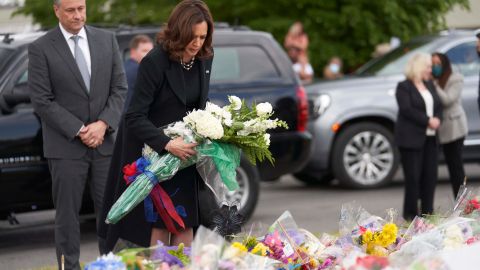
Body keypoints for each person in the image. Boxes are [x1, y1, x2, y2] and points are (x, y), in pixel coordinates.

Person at [99, 0, 214, 252]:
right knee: (161, 225)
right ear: (178, 32)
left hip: (187, 158)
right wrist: (168, 144)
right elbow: (134, 116)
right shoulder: (155, 61)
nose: (197, 43)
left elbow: (198, 106)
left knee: (186, 223)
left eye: (203, 37)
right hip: (156, 156)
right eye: (192, 37)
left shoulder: (204, 57)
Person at [28, 0, 126, 269]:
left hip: (104, 144)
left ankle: (113, 263)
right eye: (70, 10)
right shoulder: (41, 48)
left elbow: (119, 88)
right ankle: (68, 267)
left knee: (112, 213)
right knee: (67, 217)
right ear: (56, 10)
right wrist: (80, 129)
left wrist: (103, 123)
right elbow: (41, 100)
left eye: (81, 8)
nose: (77, 15)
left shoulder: (107, 40)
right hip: (65, 148)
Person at [394, 53, 442, 221]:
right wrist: (428, 120)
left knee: (430, 176)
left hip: (430, 138)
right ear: (419, 67)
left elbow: (438, 105)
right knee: (413, 178)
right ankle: (410, 216)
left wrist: (437, 119)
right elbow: (406, 110)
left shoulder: (429, 85)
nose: (431, 70)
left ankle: (428, 214)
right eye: (428, 66)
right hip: (410, 139)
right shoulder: (404, 87)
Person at [431, 53, 468, 198]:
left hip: (454, 128)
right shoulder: (434, 80)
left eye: (438, 64)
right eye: (433, 64)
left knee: (456, 166)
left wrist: (433, 84)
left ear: (445, 64)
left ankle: (462, 202)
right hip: (440, 129)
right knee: (448, 165)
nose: (435, 67)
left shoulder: (455, 78)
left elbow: (448, 100)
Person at [124, 34, 154, 110]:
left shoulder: (122, 67)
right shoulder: (140, 70)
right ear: (133, 52)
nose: (149, 54)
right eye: (145, 51)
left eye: (151, 51)